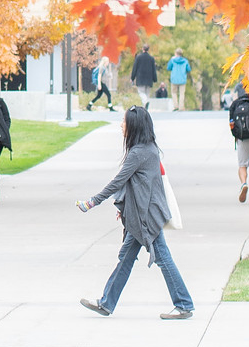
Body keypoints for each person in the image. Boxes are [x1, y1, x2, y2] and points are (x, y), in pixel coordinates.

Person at [76, 107, 194, 320]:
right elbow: (137, 185)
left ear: (134, 126)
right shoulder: (147, 149)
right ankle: (106, 303)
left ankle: (184, 304)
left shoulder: (140, 152)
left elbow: (118, 182)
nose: (121, 125)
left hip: (146, 217)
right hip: (141, 215)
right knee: (126, 258)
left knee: (162, 258)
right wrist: (126, 208)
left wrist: (93, 202)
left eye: (124, 122)